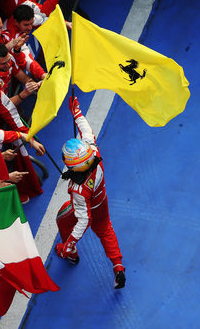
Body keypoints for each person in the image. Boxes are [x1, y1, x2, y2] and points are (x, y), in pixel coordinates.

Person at [55, 97, 126, 289]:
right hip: (101, 201)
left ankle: (70, 253)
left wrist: (70, 242)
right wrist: (77, 112)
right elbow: (86, 131)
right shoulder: (94, 153)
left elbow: (84, 220)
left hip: (86, 208)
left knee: (62, 218)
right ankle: (118, 266)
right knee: (106, 230)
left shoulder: (78, 189)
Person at [3, 4, 46, 80]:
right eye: (26, 25)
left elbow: (42, 18)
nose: (30, 27)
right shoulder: (9, 37)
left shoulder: (26, 18)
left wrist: (65, 23)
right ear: (16, 22)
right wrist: (42, 74)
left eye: (31, 23)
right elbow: (26, 62)